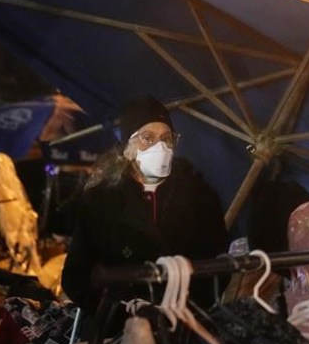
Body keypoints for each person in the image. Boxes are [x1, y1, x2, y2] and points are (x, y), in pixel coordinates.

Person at [61, 95, 229, 315]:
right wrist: (123, 311)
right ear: (128, 149)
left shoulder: (199, 194)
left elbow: (217, 263)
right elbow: (77, 277)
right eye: (148, 138)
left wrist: (185, 307)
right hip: (122, 326)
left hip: (186, 320)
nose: (160, 146)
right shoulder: (100, 201)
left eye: (166, 138)